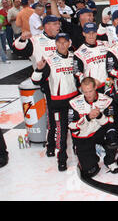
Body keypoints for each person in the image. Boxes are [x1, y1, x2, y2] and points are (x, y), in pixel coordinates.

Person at [31, 33, 78, 171]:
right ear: (55, 44)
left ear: (69, 43)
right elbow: (35, 80)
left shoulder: (74, 57)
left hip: (74, 100)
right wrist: (38, 69)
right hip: (58, 102)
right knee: (61, 133)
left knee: (77, 129)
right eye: (59, 42)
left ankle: (79, 152)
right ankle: (61, 159)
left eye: (65, 42)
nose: (62, 45)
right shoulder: (49, 59)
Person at [68, 77, 118, 178]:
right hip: (82, 136)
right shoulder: (74, 103)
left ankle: (109, 161)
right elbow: (72, 127)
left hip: (98, 131)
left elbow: (111, 122)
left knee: (113, 135)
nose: (88, 94)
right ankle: (92, 152)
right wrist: (87, 118)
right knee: (90, 171)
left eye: (90, 91)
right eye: (85, 92)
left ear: (95, 87)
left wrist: (99, 116)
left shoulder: (106, 100)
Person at [73, 23, 109, 93]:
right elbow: (77, 73)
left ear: (96, 33)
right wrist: (90, 82)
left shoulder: (105, 44)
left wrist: (111, 77)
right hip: (92, 88)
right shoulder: (79, 53)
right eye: (88, 33)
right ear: (84, 34)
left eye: (93, 32)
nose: (91, 35)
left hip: (107, 84)